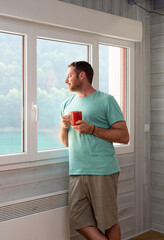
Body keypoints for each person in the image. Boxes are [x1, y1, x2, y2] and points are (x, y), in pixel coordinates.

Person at [58, 61, 129, 240]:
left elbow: (124, 136)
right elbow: (66, 142)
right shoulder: (67, 104)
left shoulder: (106, 100)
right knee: (78, 220)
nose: (66, 80)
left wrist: (93, 129)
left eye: (69, 75)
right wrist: (63, 126)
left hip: (102, 170)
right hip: (77, 170)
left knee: (108, 222)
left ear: (82, 76)